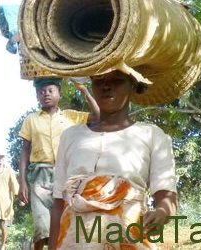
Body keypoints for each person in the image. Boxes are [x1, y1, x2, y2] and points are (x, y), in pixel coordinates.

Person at [48, 71, 178, 249]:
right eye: (98, 80)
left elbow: (167, 196)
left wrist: (162, 212)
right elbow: (58, 205)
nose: (106, 86)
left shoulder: (152, 135)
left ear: (133, 84)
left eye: (117, 80)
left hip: (126, 236)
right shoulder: (70, 136)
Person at [16, 77, 97, 250]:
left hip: (66, 175)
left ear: (59, 94)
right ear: (37, 96)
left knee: (64, 225)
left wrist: (84, 91)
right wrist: (22, 182)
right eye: (41, 92)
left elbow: (98, 115)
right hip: (39, 175)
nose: (46, 94)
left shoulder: (70, 116)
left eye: (50, 90)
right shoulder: (31, 120)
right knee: (41, 227)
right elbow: (24, 150)